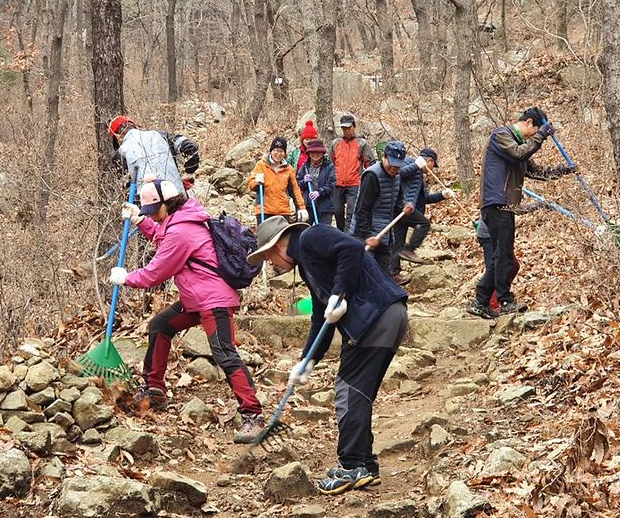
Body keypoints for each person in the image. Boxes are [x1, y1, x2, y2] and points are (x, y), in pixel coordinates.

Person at [247, 216, 408, 494]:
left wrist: (339, 292)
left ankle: (352, 465)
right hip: (385, 316)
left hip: (375, 317)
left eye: (271, 258)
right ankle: (365, 464)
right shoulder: (309, 266)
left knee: (349, 391)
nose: (274, 265)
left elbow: (352, 249)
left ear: (278, 247)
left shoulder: (312, 237)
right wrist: (306, 361)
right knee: (359, 392)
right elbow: (320, 318)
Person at [108, 178, 265, 443]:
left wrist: (126, 278)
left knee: (224, 353)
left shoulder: (181, 230)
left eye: (152, 212)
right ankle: (155, 389)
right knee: (161, 326)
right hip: (197, 298)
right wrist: (139, 221)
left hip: (213, 300)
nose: (152, 217)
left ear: (165, 206)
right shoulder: (183, 220)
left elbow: (157, 271)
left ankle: (254, 416)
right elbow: (162, 235)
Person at [472, 106, 575, 315]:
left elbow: (536, 173)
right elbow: (519, 155)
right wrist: (542, 135)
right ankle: (504, 300)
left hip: (506, 205)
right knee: (504, 256)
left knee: (502, 256)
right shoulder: (501, 135)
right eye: (535, 130)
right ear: (528, 123)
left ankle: (482, 301)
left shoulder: (518, 145)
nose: (535, 136)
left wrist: (564, 171)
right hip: (496, 202)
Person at [349, 141, 413, 278]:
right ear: (383, 157)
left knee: (384, 276)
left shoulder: (397, 176)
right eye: (391, 164)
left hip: (385, 234)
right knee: (367, 275)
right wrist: (367, 237)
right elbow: (361, 210)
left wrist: (404, 207)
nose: (393, 168)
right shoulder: (371, 176)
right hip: (365, 234)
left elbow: (397, 201)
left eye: (397, 165)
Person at [389, 148, 454, 281]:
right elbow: (397, 173)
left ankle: (393, 274)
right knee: (424, 223)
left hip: (407, 210)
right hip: (401, 206)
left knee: (398, 243)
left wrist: (442, 195)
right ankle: (410, 249)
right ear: (429, 161)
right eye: (433, 165)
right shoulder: (408, 162)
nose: (432, 169)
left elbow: (424, 199)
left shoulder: (420, 177)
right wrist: (416, 165)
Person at [109, 115, 199, 193]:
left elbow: (127, 189)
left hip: (148, 206)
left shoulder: (120, 153)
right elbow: (190, 147)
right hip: (176, 196)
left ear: (118, 137)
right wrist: (189, 172)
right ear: (135, 126)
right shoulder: (162, 136)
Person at [247, 137, 309, 224]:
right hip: (264, 210)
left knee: (283, 237)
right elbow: (250, 185)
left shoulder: (288, 169)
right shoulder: (261, 165)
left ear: (284, 153)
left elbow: (295, 190)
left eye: (281, 151)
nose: (278, 154)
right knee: (265, 237)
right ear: (271, 151)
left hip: (283, 211)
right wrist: (256, 181)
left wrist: (301, 208)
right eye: (276, 150)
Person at [467, 219, 521, 319]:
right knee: (498, 266)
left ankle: (487, 302)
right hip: (488, 235)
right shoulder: (497, 206)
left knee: (512, 265)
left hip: (491, 231)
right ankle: (492, 304)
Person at [330, 114, 375, 231]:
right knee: (337, 210)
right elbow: (331, 162)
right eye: (344, 129)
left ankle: (348, 235)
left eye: (349, 128)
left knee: (351, 211)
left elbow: (370, 163)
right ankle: (341, 232)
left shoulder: (362, 143)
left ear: (354, 127)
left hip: (354, 183)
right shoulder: (335, 143)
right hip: (337, 182)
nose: (346, 131)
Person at [297, 139, 337, 225]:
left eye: (318, 152)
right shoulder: (305, 167)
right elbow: (297, 184)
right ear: (309, 154)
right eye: (312, 152)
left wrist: (319, 192)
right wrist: (304, 181)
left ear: (323, 153)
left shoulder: (329, 167)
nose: (315, 155)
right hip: (308, 205)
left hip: (325, 206)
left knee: (324, 232)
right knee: (306, 230)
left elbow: (332, 184)